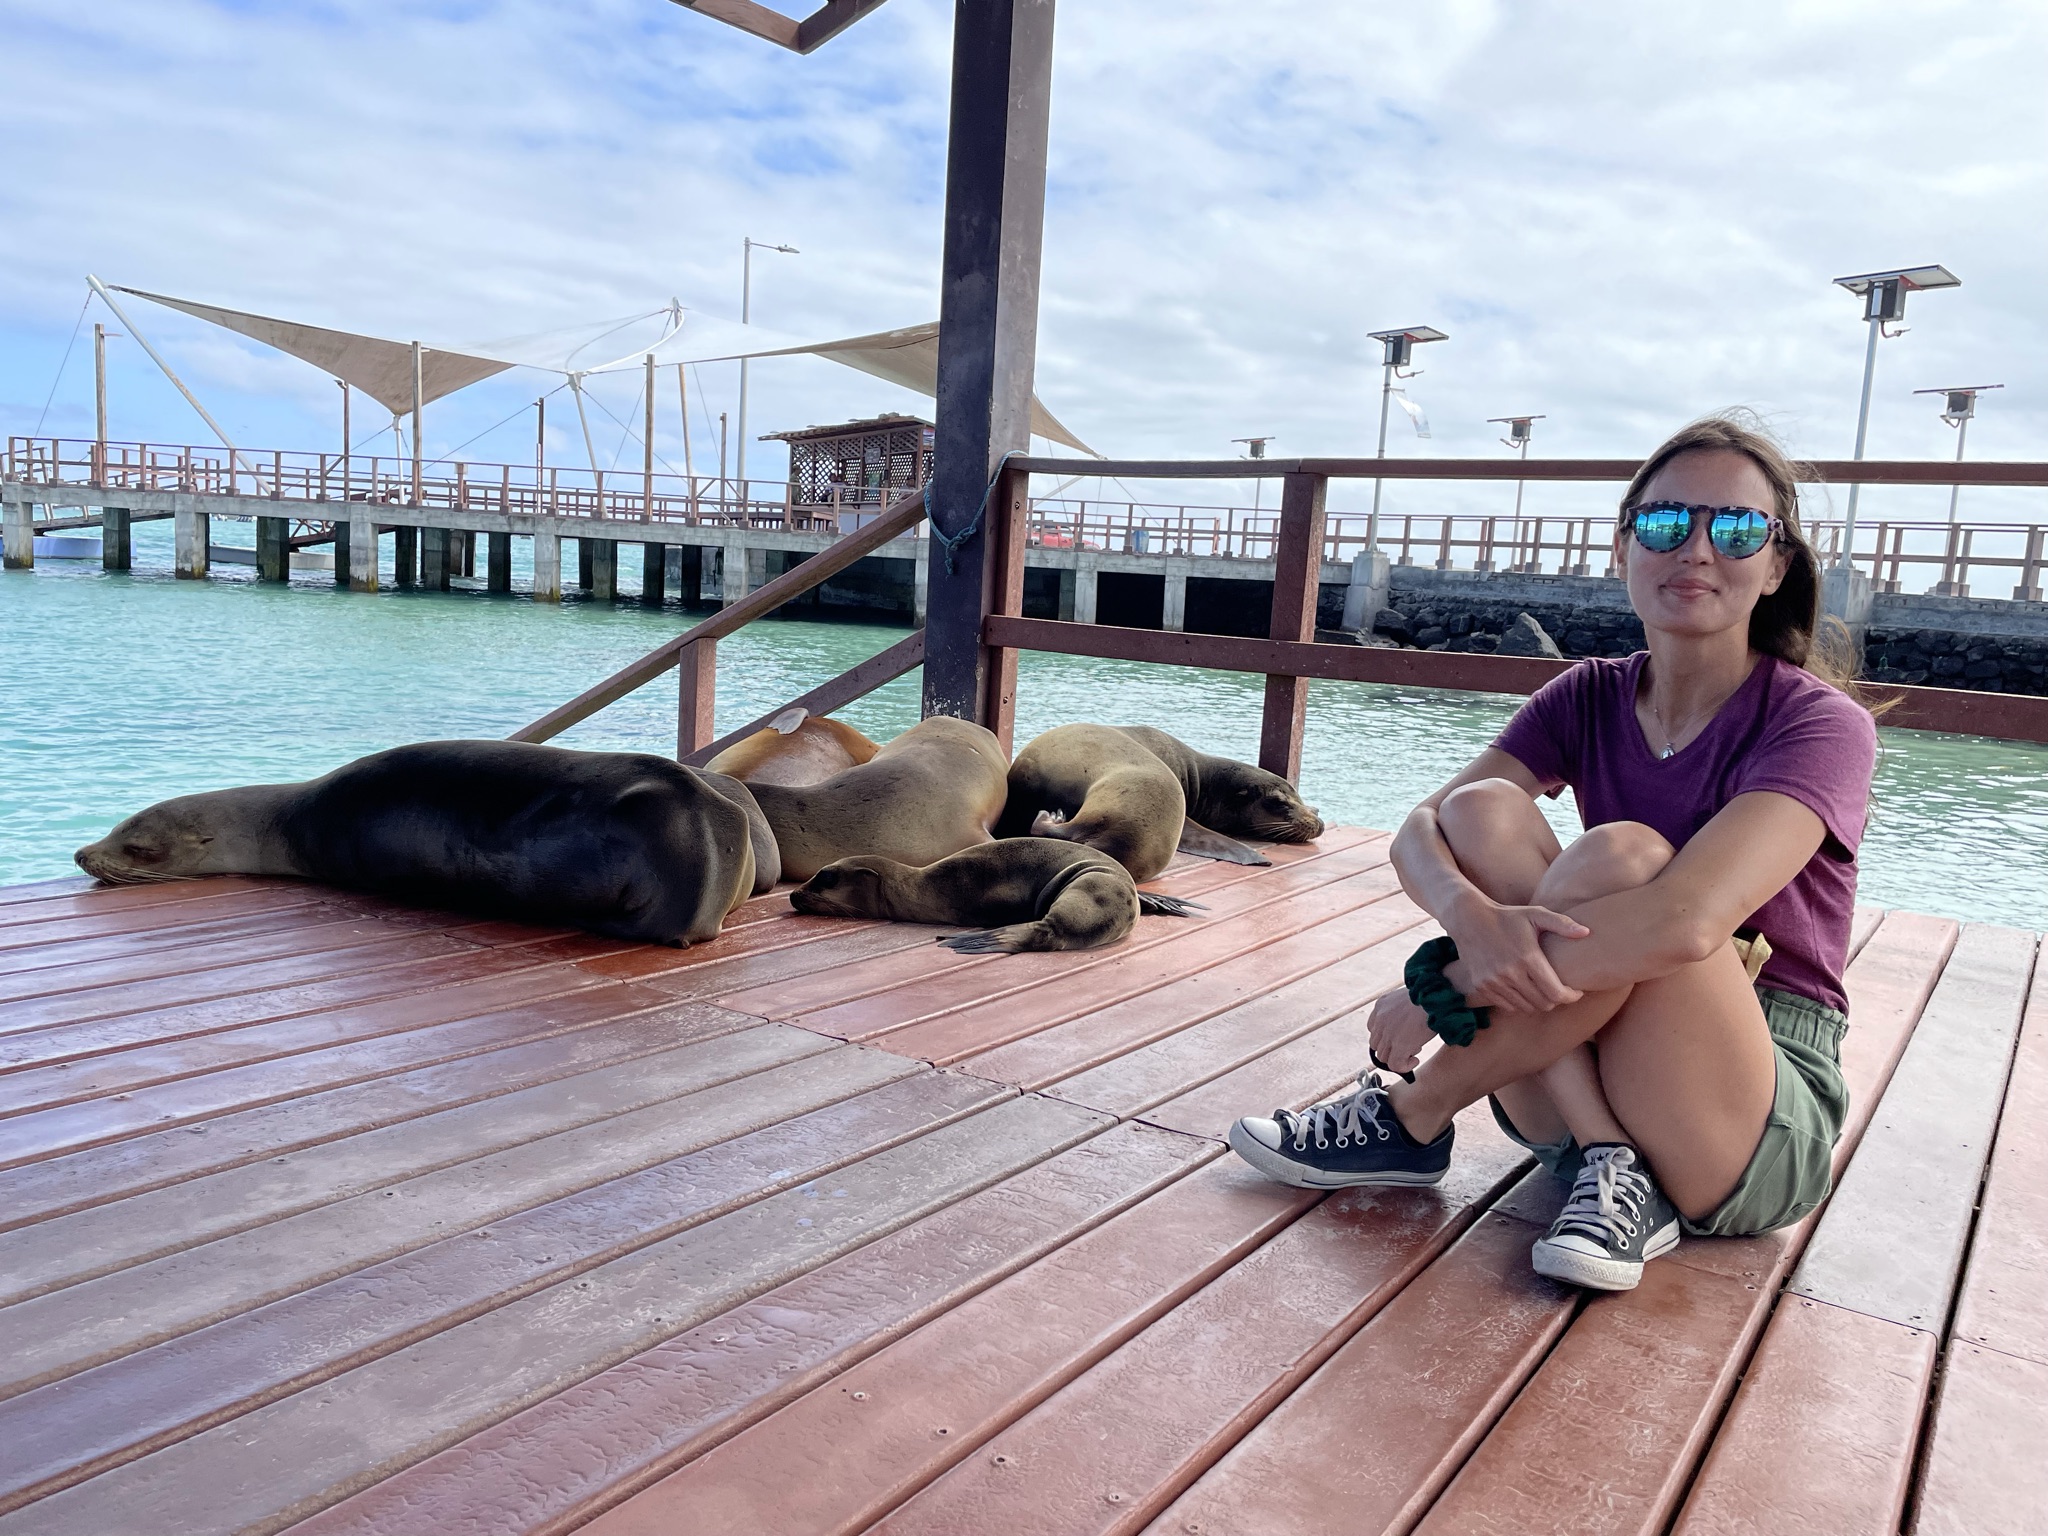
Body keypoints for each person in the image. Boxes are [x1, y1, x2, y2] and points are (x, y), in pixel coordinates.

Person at [1230, 415, 1879, 1292]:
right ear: (1623, 550)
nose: (1694, 550)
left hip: (1746, 1112)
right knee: (1484, 811)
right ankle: (1611, 1156)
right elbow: (1424, 829)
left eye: (1734, 529)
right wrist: (1472, 923)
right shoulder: (1590, 694)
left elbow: (1687, 926)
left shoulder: (1817, 724)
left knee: (1623, 862)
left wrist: (1453, 987)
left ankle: (1415, 1112)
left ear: (1776, 566)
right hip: (1574, 1077)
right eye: (1663, 524)